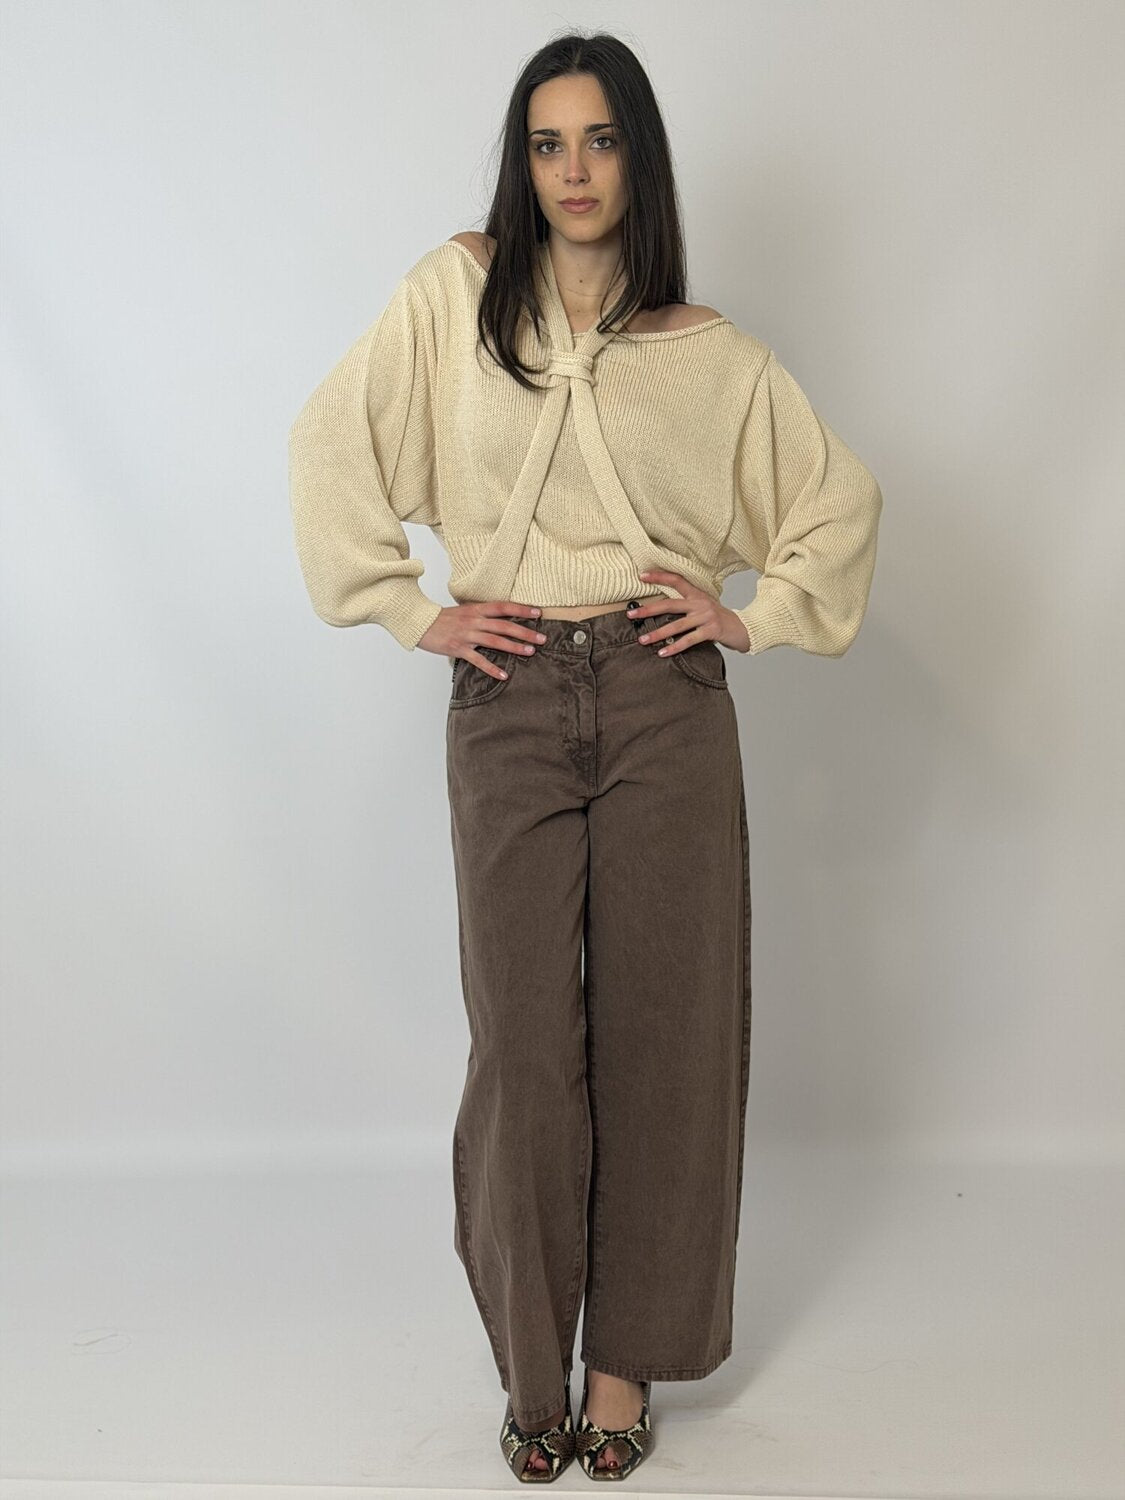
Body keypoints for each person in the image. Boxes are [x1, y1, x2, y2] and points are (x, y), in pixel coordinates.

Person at [288, 31, 882, 1485]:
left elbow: (837, 502)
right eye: (547, 143)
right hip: (504, 695)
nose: (572, 171)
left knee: (666, 1041)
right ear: (521, 160)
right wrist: (414, 611)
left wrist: (749, 615)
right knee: (523, 1050)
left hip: (662, 695)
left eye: (601, 140)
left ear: (638, 160)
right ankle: (528, 1365)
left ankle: (621, 1366)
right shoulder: (455, 295)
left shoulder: (710, 354)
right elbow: (328, 445)